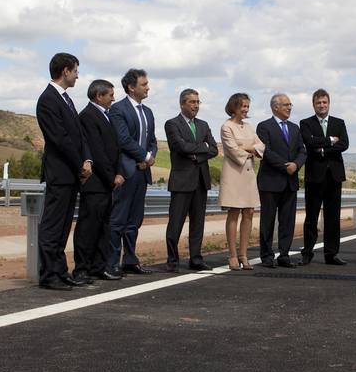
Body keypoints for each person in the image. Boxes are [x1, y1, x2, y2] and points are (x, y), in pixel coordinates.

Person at [34, 52, 92, 291]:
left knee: (63, 225)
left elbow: (78, 134)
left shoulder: (66, 99)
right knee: (52, 226)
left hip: (71, 173)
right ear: (65, 71)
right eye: (76, 70)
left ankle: (60, 270)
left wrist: (87, 159)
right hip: (60, 172)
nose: (78, 75)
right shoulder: (48, 99)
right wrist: (80, 163)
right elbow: (60, 139)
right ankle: (48, 274)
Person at [73, 79, 124, 282]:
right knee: (88, 227)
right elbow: (97, 151)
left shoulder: (106, 116)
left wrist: (119, 172)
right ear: (99, 96)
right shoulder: (88, 116)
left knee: (103, 226)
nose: (113, 98)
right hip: (96, 183)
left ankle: (98, 266)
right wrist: (111, 177)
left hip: (107, 182)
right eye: (110, 95)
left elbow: (115, 148)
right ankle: (82, 269)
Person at [164, 88, 219, 272]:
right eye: (192, 102)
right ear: (182, 104)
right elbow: (180, 147)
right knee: (175, 223)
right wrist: (200, 147)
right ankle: (172, 261)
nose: (196, 105)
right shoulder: (172, 124)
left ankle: (196, 259)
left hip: (200, 182)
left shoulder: (203, 125)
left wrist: (198, 156)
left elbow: (214, 149)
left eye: (198, 102)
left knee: (198, 223)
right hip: (181, 181)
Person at [108, 68, 156, 274]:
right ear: (131, 87)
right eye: (144, 84)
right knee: (118, 219)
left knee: (135, 220)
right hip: (126, 171)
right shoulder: (118, 109)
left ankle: (130, 259)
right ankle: (112, 263)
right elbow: (123, 139)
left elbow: (152, 140)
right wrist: (144, 156)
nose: (148, 87)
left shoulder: (148, 112)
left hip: (142, 173)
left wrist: (150, 156)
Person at [299, 88, 350, 265]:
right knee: (311, 217)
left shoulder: (339, 122)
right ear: (313, 105)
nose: (322, 105)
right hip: (314, 176)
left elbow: (344, 144)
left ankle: (331, 254)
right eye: (318, 102)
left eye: (324, 102)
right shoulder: (305, 123)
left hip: (334, 176)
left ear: (329, 103)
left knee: (333, 217)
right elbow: (309, 142)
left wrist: (321, 148)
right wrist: (330, 141)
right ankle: (307, 252)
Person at [256, 93, 306, 267]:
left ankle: (284, 255)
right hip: (270, 181)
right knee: (267, 221)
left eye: (290, 105)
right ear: (275, 107)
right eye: (286, 105)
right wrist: (285, 166)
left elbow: (302, 150)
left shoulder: (295, 128)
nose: (289, 107)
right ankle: (267, 256)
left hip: (290, 182)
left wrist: (296, 164)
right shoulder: (264, 127)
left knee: (287, 222)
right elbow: (266, 152)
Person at [219, 93, 262, 270]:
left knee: (249, 212)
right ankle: (232, 255)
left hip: (249, 174)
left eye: (247, 107)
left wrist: (246, 147)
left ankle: (244, 255)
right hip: (233, 174)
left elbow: (261, 147)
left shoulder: (250, 127)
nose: (245, 110)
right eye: (243, 106)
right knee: (234, 212)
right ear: (234, 107)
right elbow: (231, 150)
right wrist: (250, 149)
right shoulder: (226, 127)